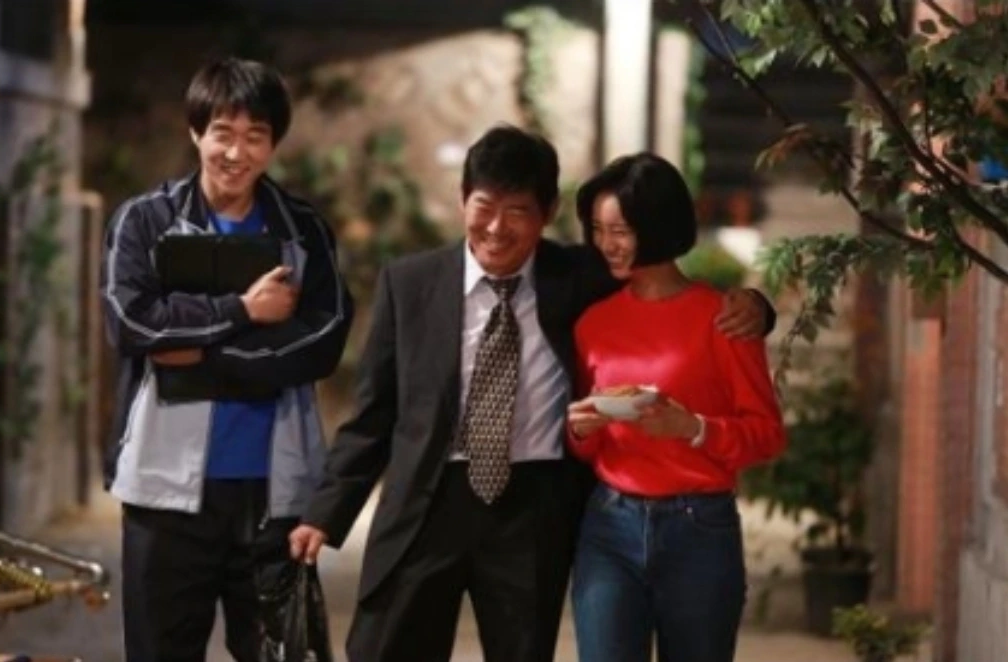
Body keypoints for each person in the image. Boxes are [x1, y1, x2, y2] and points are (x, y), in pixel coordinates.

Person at [287, 126, 773, 662]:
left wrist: (756, 306)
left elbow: (660, 276)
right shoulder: (410, 284)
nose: (496, 228)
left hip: (531, 509)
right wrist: (325, 512)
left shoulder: (581, 275)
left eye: (517, 211)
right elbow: (373, 415)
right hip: (428, 500)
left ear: (546, 214)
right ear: (463, 201)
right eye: (484, 206)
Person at [100, 57, 353, 662]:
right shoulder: (145, 221)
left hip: (276, 495)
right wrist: (242, 310)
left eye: (254, 136)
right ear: (196, 132)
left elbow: (323, 341)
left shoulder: (303, 231)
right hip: (164, 494)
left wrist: (197, 357)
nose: (236, 153)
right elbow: (131, 322)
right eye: (222, 133)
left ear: (273, 144)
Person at [566, 152, 787, 662]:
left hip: (699, 530)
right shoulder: (592, 323)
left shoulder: (725, 319)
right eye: (597, 230)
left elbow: (767, 435)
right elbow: (587, 447)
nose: (605, 244)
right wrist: (580, 431)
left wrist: (694, 428)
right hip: (609, 526)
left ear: (657, 226)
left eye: (619, 231)